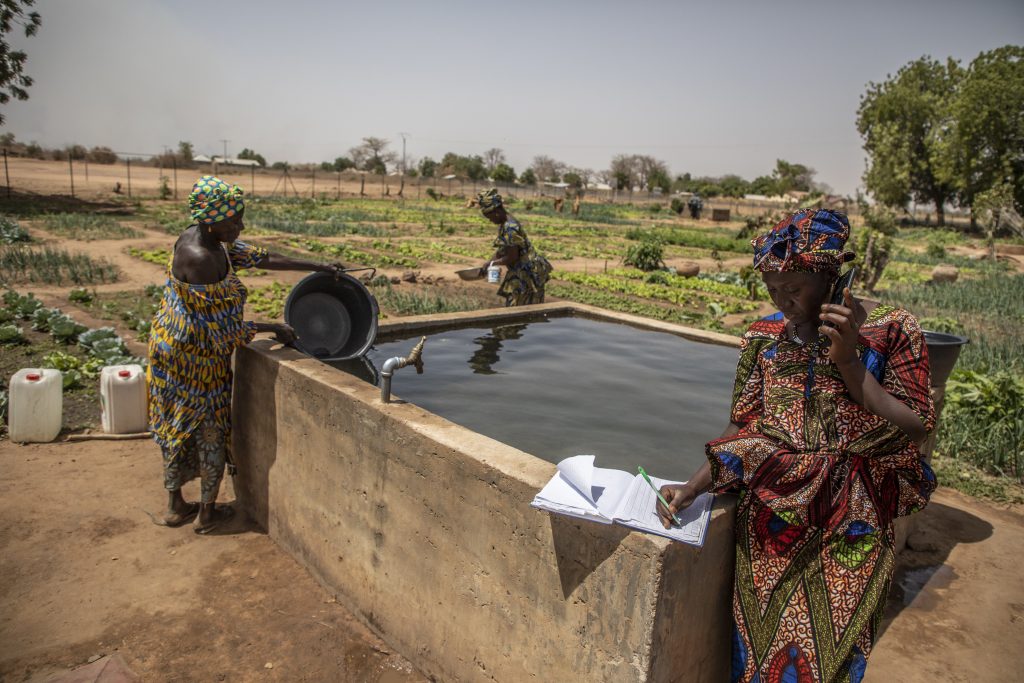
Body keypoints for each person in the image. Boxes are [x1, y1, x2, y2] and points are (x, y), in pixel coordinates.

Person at [657, 209, 935, 682]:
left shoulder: (892, 329)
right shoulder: (762, 338)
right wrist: (692, 486)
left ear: (830, 279)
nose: (782, 301)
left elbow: (915, 426)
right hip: (771, 523)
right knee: (759, 653)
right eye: (772, 289)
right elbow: (741, 426)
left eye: (794, 289)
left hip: (854, 525)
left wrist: (847, 361)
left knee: (828, 657)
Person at [148, 175, 344, 534]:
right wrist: (275, 327)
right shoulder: (202, 257)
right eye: (234, 220)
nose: (240, 226)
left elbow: (262, 257)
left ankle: (176, 506)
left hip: (170, 346)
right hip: (196, 356)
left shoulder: (205, 237)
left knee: (175, 421)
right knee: (209, 427)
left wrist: (318, 267)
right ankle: (206, 515)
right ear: (212, 218)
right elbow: (224, 332)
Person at [476, 188, 552, 306]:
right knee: (527, 311)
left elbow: (512, 256)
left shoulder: (510, 227)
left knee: (519, 311)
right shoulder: (505, 222)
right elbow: (502, 250)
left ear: (496, 211)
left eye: (490, 217)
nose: (491, 221)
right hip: (525, 270)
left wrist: (493, 264)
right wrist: (488, 262)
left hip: (527, 273)